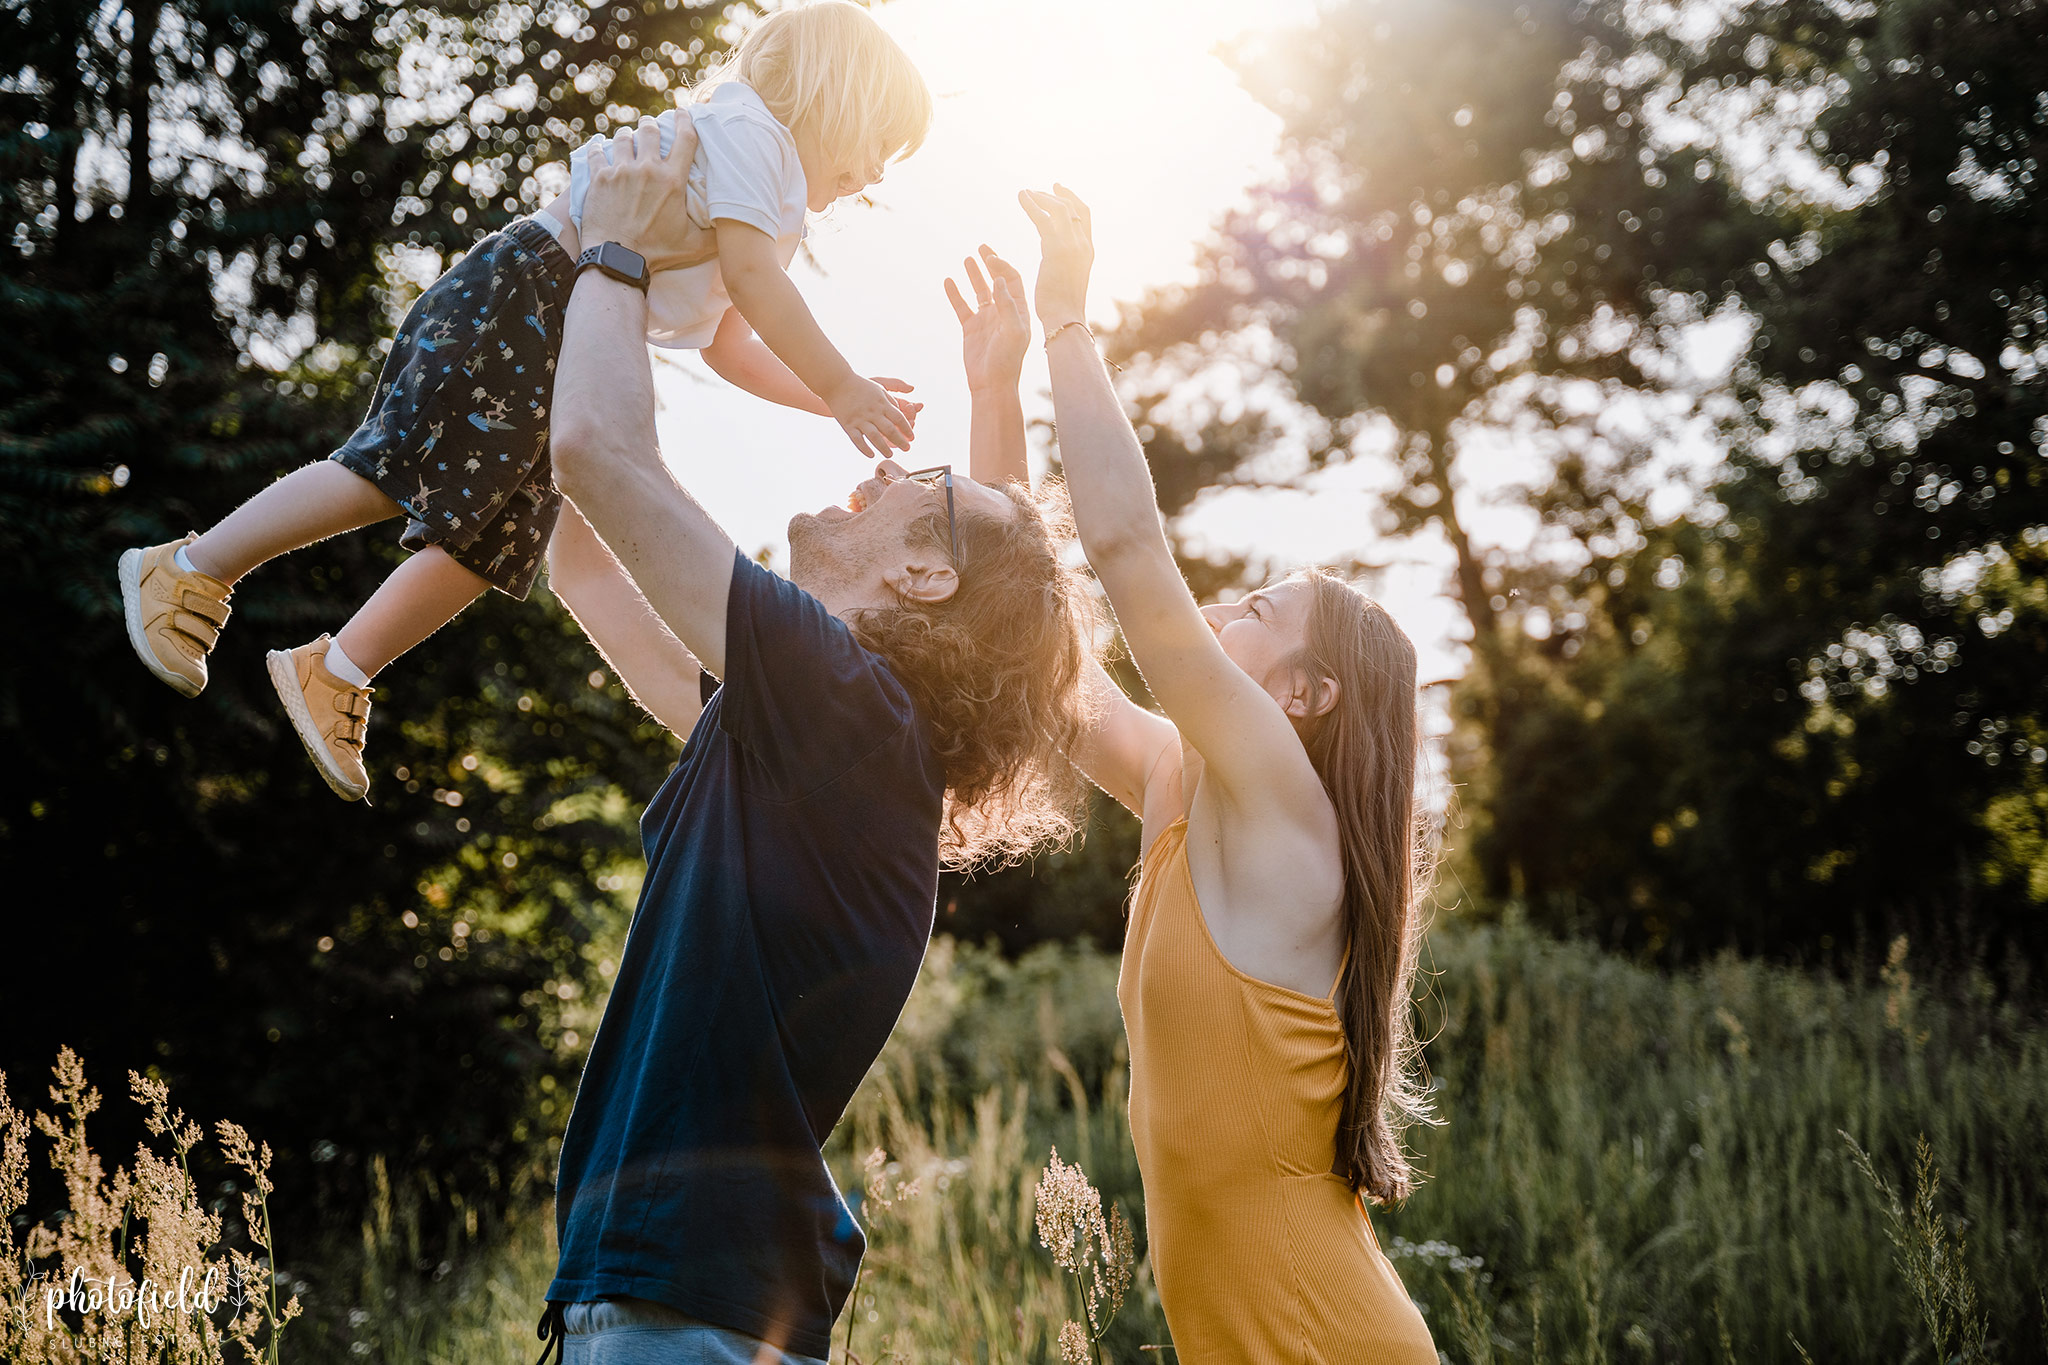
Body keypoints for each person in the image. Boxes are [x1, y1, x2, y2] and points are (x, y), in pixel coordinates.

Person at [530, 122, 1097, 1364]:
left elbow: (599, 458)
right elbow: (580, 548)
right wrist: (558, 295)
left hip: (682, 1312)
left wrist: (616, 252)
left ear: (920, 568)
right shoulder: (822, 741)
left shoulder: (847, 708)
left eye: (927, 480)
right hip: (671, 1303)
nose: (889, 467)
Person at [115, 0, 930, 802]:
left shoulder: (769, 191)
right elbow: (757, 286)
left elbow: (729, 344)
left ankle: (337, 669)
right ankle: (188, 568)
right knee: (395, 466)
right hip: (530, 292)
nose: (879, 172)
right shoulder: (758, 139)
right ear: (834, 98)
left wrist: (829, 403)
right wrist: (841, 384)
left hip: (569, 327)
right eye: (880, 143)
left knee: (493, 545)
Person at [1007, 184, 1441, 1363]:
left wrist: (1064, 320)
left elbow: (1129, 555)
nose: (1216, 609)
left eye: (1255, 608)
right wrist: (996, 396)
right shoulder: (1177, 781)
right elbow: (1040, 666)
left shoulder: (1283, 809)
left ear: (1303, 698)